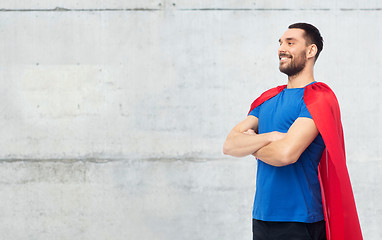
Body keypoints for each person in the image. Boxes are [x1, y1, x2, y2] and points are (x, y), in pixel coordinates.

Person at [223, 23, 363, 240]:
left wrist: (251, 144)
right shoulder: (268, 99)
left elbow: (286, 154)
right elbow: (230, 145)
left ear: (310, 51)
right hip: (262, 217)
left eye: (290, 43)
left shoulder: (317, 99)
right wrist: (270, 137)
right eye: (280, 43)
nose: (282, 48)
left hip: (300, 220)